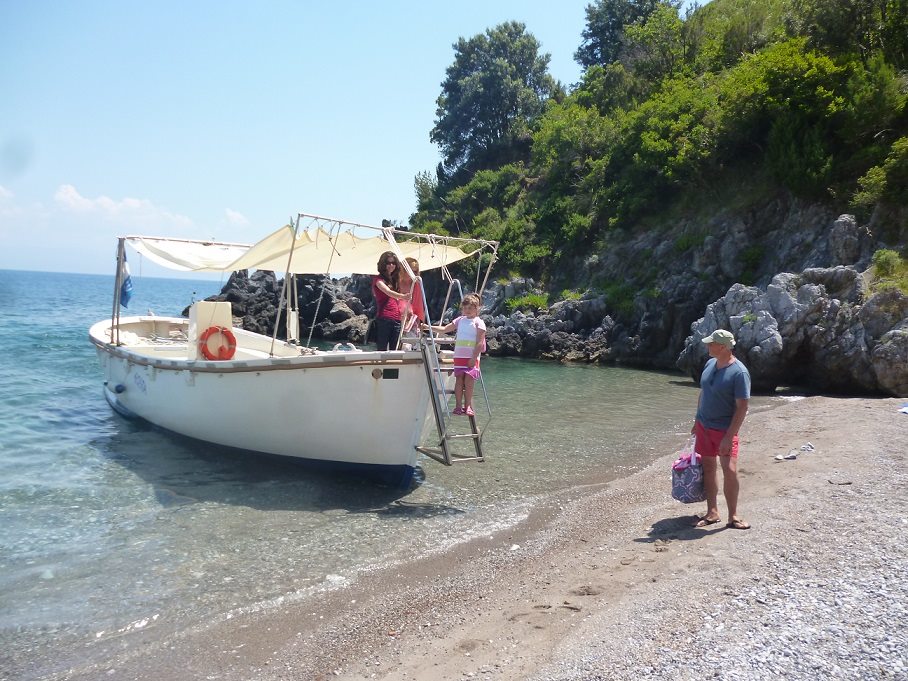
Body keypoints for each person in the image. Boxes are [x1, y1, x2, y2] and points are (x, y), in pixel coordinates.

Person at [691, 329, 752, 530]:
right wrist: (696, 420)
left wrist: (729, 436)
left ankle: (733, 515)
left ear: (723, 347)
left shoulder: (739, 372)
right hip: (704, 426)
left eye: (711, 343)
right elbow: (704, 393)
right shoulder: (710, 364)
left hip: (724, 430)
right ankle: (713, 512)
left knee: (730, 470)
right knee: (708, 468)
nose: (707, 346)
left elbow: (742, 407)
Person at [423, 293, 486, 416]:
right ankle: (458, 405)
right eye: (465, 308)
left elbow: (479, 342)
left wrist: (474, 357)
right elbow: (445, 329)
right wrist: (428, 327)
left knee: (469, 382)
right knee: (459, 380)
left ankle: (467, 406)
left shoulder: (479, 322)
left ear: (477, 309)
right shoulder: (460, 320)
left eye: (470, 308)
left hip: (471, 357)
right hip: (459, 356)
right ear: (462, 309)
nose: (467, 311)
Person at [371, 251, 409, 351]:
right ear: (383, 264)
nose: (391, 265)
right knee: (382, 349)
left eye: (393, 263)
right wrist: (403, 296)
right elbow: (387, 292)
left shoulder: (394, 280)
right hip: (384, 319)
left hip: (397, 320)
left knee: (395, 350)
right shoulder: (378, 280)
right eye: (388, 263)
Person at [399, 257, 425, 335]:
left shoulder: (416, 285)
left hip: (410, 321)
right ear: (403, 270)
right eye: (410, 270)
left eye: (415, 271)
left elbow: (418, 306)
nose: (413, 273)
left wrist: (418, 324)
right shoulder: (395, 283)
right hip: (396, 318)